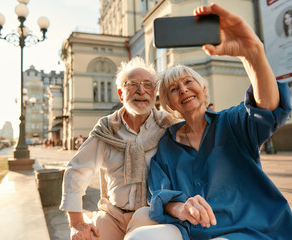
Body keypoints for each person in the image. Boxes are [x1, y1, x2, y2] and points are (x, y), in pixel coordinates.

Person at [126, 3, 292, 240]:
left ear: (203, 90)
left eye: (188, 82)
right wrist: (181, 207)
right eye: (174, 89)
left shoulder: (232, 123)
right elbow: (159, 194)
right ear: (170, 104)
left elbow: (266, 108)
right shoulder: (166, 144)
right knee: (137, 238)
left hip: (246, 228)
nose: (183, 90)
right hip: (190, 229)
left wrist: (252, 52)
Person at [59, 57, 175, 240]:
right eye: (133, 85)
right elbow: (76, 171)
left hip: (152, 214)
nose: (141, 90)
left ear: (155, 93)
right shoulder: (107, 129)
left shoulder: (168, 126)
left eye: (148, 85)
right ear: (121, 94)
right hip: (113, 215)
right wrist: (76, 222)